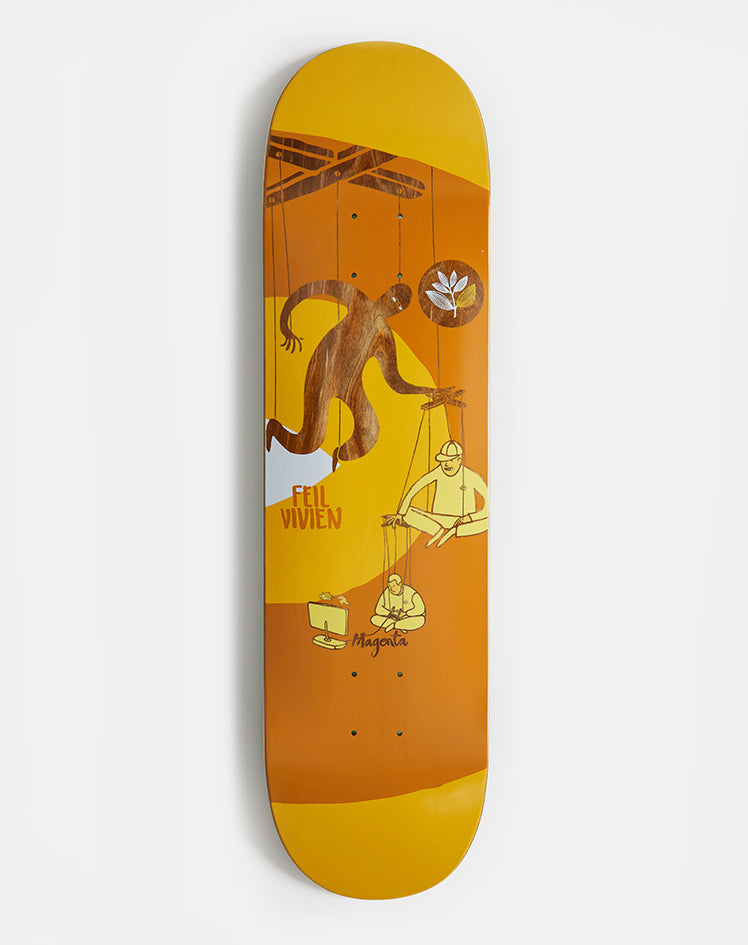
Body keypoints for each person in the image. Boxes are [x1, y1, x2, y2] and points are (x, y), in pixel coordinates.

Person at [396, 440, 487, 547]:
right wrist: (400, 514)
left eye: (451, 460)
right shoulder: (438, 472)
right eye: (443, 460)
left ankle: (455, 531)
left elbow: (488, 507)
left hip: (462, 522)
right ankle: (436, 530)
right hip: (438, 520)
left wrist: (469, 518)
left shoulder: (472, 476)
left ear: (459, 459)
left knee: (488, 522)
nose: (446, 464)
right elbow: (414, 489)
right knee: (408, 513)